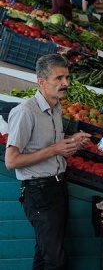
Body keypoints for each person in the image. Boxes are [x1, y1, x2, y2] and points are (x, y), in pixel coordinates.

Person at [5, 54, 91, 270]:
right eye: (59, 78)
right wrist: (55, 149)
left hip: (57, 187)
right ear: (41, 82)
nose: (65, 84)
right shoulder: (25, 112)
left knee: (45, 254)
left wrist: (71, 142)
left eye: (67, 78)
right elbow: (11, 161)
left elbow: (50, 146)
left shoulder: (56, 108)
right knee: (56, 260)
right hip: (38, 193)